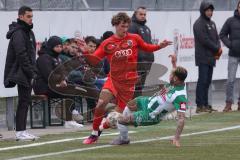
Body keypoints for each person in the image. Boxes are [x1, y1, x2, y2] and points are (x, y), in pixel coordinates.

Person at [81, 12, 172, 144]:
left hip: (129, 83)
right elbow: (94, 60)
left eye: (127, 26)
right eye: (122, 26)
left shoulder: (134, 38)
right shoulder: (107, 43)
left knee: (115, 116)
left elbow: (147, 47)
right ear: (115, 25)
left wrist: (159, 46)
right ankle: (94, 133)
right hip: (113, 80)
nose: (125, 29)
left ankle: (100, 128)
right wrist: (85, 52)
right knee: (101, 104)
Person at [111, 54, 187, 147]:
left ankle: (124, 138)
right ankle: (124, 128)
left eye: (171, 75)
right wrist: (174, 63)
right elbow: (176, 72)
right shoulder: (177, 82)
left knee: (121, 120)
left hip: (151, 115)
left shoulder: (180, 96)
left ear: (175, 78)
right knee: (130, 104)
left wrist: (176, 137)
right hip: (147, 101)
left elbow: (182, 119)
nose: (169, 76)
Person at [33, 36, 84, 129]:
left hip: (53, 85)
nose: (59, 49)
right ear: (51, 46)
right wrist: (60, 81)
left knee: (72, 87)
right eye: (57, 46)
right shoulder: (44, 58)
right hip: (42, 86)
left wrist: (64, 80)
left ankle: (72, 114)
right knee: (68, 90)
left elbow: (63, 72)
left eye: (61, 46)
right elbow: (48, 75)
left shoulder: (56, 58)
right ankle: (70, 118)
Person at [4, 6, 38, 141]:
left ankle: (22, 130)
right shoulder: (19, 32)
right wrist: (31, 72)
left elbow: (31, 54)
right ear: (20, 16)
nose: (31, 19)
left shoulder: (29, 32)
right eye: (28, 16)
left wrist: (32, 71)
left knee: (25, 101)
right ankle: (20, 132)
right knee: (23, 101)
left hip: (26, 71)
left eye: (32, 16)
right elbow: (21, 55)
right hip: (21, 72)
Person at [193, 1, 222, 113]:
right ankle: (199, 106)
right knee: (203, 80)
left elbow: (216, 38)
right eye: (207, 10)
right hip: (203, 57)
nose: (210, 12)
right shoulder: (199, 23)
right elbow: (204, 40)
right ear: (203, 10)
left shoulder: (212, 23)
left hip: (211, 57)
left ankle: (205, 104)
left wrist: (218, 47)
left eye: (211, 10)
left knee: (208, 81)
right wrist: (216, 48)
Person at [128, 6, 154, 97]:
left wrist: (151, 57)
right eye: (141, 14)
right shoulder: (132, 26)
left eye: (144, 14)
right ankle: (132, 106)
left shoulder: (147, 28)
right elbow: (131, 45)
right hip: (138, 62)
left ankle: (137, 106)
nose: (143, 16)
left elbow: (149, 44)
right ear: (135, 14)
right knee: (135, 86)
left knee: (140, 87)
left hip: (147, 61)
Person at [220, 0, 240, 112]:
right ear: (237, 8)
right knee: (230, 80)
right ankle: (228, 103)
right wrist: (230, 45)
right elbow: (222, 34)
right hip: (233, 55)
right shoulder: (230, 21)